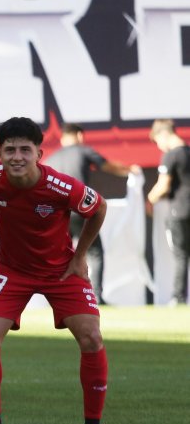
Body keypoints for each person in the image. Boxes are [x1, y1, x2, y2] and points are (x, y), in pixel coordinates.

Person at [0, 117, 113, 424]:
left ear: (39, 154)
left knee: (91, 336)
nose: (17, 156)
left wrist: (79, 257)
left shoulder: (61, 186)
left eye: (25, 150)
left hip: (61, 270)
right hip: (11, 270)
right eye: (10, 150)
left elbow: (98, 207)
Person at [44, 123, 139, 303]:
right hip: (79, 209)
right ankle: (95, 295)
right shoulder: (83, 151)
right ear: (79, 135)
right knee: (95, 252)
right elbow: (108, 166)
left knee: (59, 255)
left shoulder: (51, 159)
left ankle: (57, 295)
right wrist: (129, 170)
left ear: (63, 138)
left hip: (57, 214)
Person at [148, 119, 190, 306]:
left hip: (179, 211)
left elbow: (163, 185)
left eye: (157, 142)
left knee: (181, 255)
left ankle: (178, 297)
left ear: (163, 135)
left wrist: (149, 199)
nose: (159, 147)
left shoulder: (171, 156)